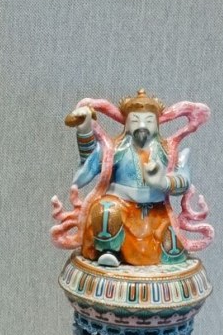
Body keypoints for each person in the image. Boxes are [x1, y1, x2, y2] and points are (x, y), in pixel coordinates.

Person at [68, 90, 189, 267]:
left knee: (172, 244)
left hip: (156, 212)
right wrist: (85, 129)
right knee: (105, 210)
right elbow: (88, 167)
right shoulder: (116, 148)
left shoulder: (168, 152)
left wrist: (163, 182)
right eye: (135, 120)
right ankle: (109, 251)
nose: (142, 126)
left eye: (149, 121)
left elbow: (184, 178)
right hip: (121, 206)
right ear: (126, 124)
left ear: (157, 124)